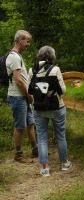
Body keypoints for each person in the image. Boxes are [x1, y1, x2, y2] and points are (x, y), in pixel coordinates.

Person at [28, 45, 72, 177]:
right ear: (52, 56)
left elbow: (30, 90)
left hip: (38, 108)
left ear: (40, 56)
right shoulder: (55, 69)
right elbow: (62, 90)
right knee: (60, 135)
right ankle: (64, 163)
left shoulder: (32, 70)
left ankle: (45, 168)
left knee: (41, 137)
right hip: (56, 107)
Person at [6, 30, 38, 162]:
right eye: (27, 41)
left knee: (30, 123)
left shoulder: (17, 56)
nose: (28, 44)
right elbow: (19, 80)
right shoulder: (13, 57)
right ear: (20, 40)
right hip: (18, 96)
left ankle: (35, 149)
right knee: (19, 125)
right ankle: (18, 154)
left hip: (23, 96)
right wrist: (28, 95)